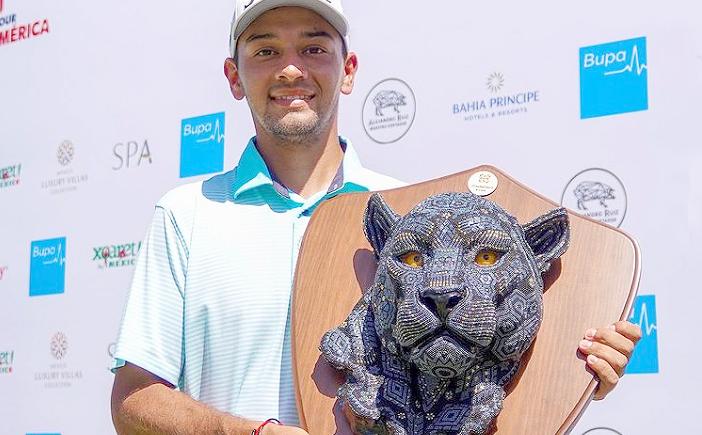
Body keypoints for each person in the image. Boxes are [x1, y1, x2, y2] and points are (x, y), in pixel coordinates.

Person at [110, 1, 642, 434]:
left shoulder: (413, 213)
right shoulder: (187, 214)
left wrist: (576, 368)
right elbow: (133, 402)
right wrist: (249, 434)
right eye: (266, 49)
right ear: (234, 75)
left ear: (348, 70)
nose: (291, 68)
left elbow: (493, 376)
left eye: (314, 47)